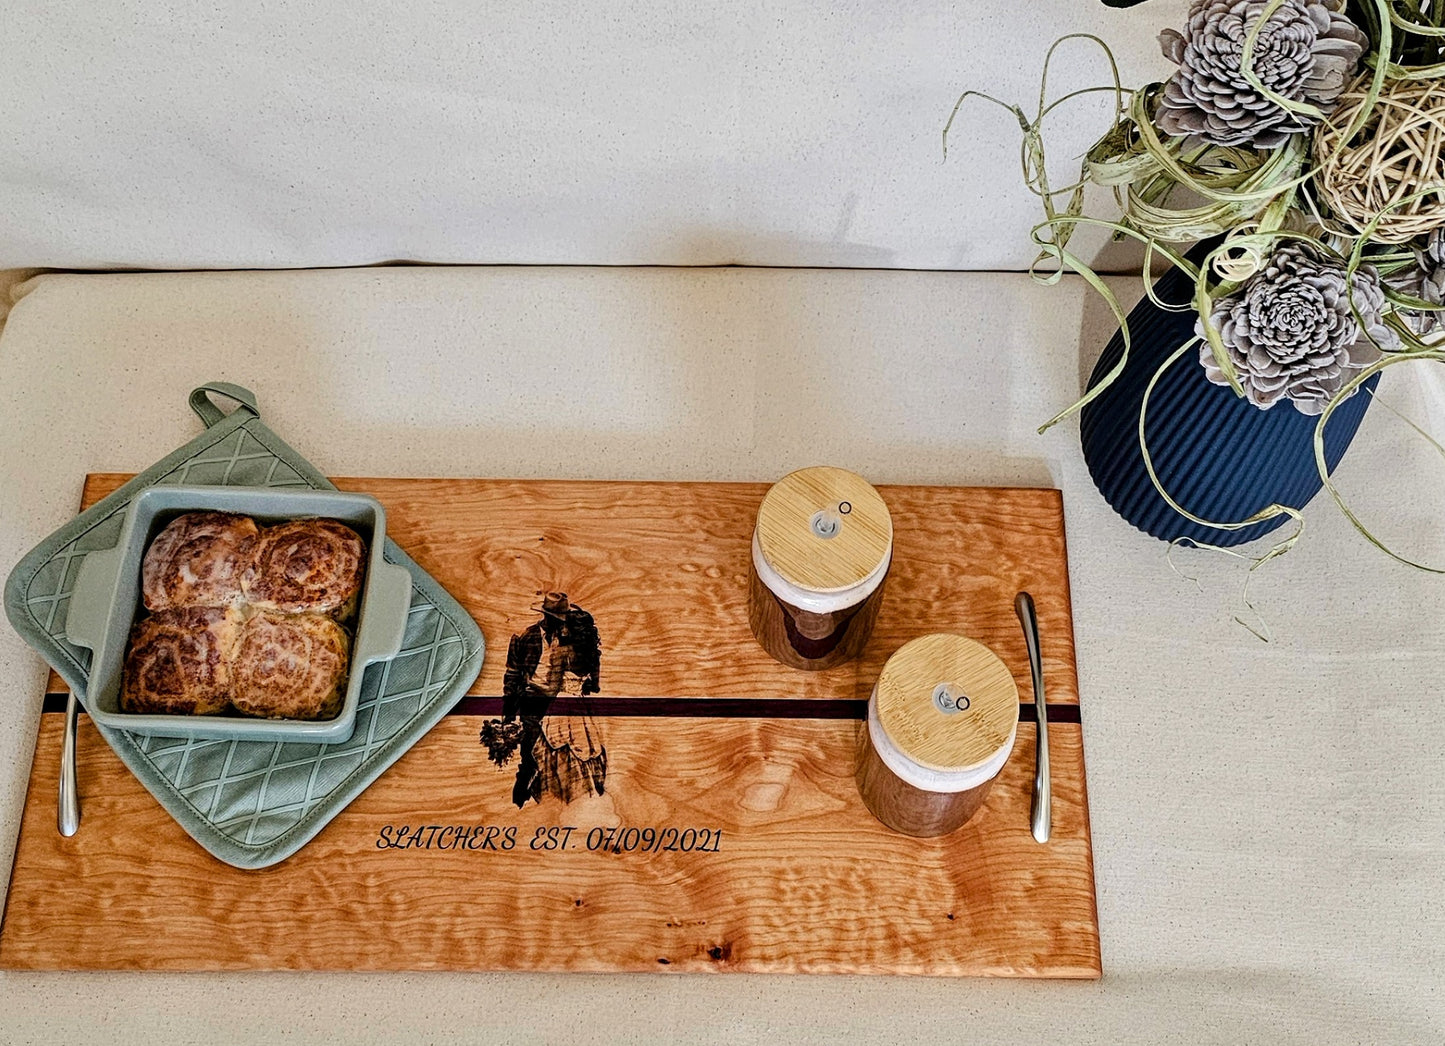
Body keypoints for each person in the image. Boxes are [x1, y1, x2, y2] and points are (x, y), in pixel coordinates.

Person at [491, 592, 605, 807]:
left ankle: (553, 799)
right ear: (546, 615)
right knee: (531, 754)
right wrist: (508, 715)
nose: (561, 624)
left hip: (557, 705)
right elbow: (512, 675)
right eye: (557, 618)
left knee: (554, 756)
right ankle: (522, 798)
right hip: (534, 701)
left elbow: (564, 676)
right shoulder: (526, 637)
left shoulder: (567, 640)